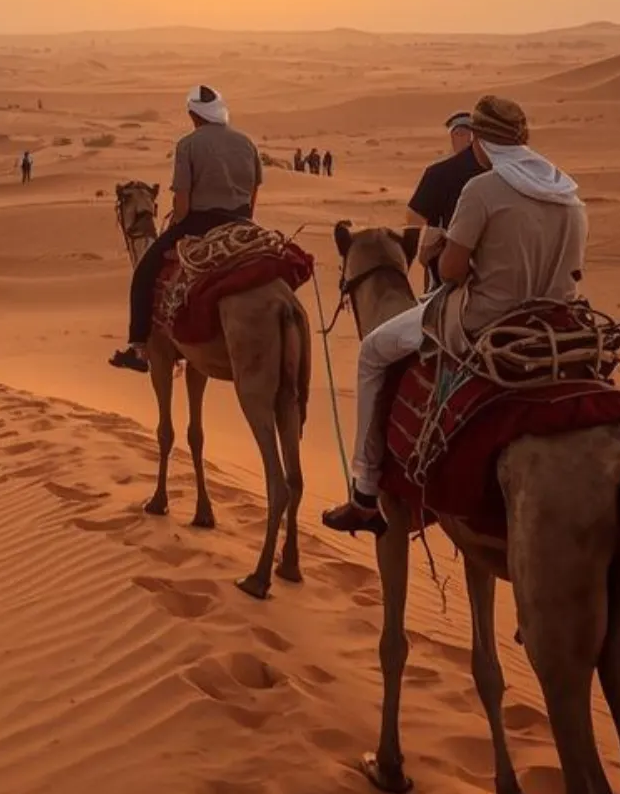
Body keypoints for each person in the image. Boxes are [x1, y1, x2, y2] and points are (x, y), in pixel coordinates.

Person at [322, 95, 586, 536]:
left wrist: (440, 251)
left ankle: (365, 490)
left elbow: (450, 272)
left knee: (372, 351)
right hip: (556, 325)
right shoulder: (569, 193)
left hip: (482, 321)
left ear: (480, 141)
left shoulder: (482, 189)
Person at [109, 85, 263, 372]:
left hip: (200, 222)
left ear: (193, 115)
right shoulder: (247, 143)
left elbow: (182, 204)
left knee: (144, 272)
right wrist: (244, 222)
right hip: (243, 222)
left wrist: (175, 225)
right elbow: (254, 192)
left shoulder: (188, 145)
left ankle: (139, 348)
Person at [404, 109, 487, 292]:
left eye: (464, 133)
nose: (462, 138)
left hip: (455, 261)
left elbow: (415, 218)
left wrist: (426, 251)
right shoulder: (499, 169)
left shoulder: (439, 172)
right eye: (459, 134)